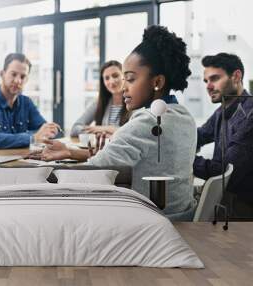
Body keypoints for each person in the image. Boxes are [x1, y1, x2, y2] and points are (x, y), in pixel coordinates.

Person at [30, 25, 197, 220]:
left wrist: (34, 176)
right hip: (181, 215)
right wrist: (70, 153)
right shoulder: (184, 116)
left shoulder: (146, 123)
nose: (123, 87)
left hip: (149, 222)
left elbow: (91, 174)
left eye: (131, 79)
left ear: (157, 82)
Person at [193, 53, 253, 219]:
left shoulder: (249, 115)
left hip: (243, 211)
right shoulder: (222, 111)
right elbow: (199, 135)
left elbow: (226, 171)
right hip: (225, 203)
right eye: (206, 81)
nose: (208, 86)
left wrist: (182, 159)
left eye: (214, 78)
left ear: (236, 76)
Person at [0, 53, 60, 149]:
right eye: (13, 74)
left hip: (21, 159)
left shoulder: (27, 103)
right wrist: (32, 137)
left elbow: (43, 130)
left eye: (22, 77)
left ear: (26, 80)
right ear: (2, 74)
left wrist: (50, 130)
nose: (18, 80)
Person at [70, 60, 131, 137]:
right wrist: (99, 133)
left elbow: (132, 133)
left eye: (115, 76)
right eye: (107, 78)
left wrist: (105, 128)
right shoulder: (100, 103)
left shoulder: (135, 103)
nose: (111, 81)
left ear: (124, 77)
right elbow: (75, 129)